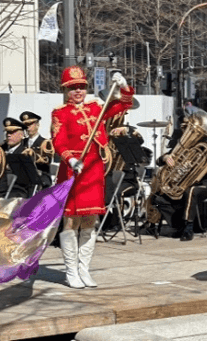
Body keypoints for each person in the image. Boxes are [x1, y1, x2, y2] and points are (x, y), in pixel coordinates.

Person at [51, 66, 134, 288]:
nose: (78, 91)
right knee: (71, 220)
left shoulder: (97, 107)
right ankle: (70, 270)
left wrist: (124, 86)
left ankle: (83, 268)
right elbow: (58, 141)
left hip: (94, 169)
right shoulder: (60, 113)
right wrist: (69, 159)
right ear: (66, 90)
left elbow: (123, 104)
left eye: (81, 87)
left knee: (90, 218)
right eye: (73, 87)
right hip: (73, 169)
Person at [19, 111, 54, 192]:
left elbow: (47, 161)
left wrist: (33, 154)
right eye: (25, 125)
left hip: (41, 178)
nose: (28, 128)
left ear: (37, 125)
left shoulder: (45, 143)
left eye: (30, 124)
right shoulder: (22, 143)